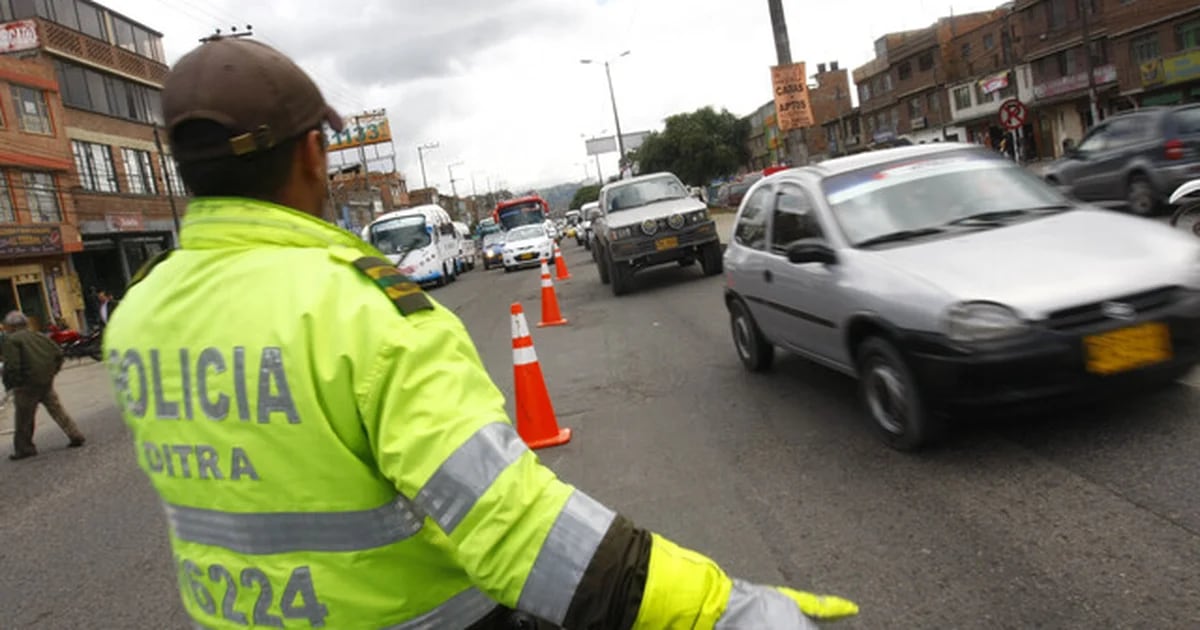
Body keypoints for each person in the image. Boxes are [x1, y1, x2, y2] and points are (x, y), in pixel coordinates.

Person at [102, 36, 857, 629]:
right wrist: (717, 608)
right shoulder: (362, 310)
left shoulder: (138, 313)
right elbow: (511, 527)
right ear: (311, 152)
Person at [3, 311, 85, 460]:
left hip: (26, 385)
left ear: (11, 326)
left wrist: (12, 383)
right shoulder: (38, 336)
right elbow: (58, 353)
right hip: (45, 381)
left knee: (23, 418)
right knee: (57, 410)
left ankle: (25, 448)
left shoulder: (12, 340)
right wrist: (53, 372)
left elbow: (12, 366)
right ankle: (75, 435)